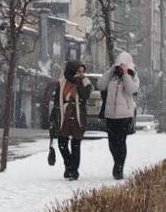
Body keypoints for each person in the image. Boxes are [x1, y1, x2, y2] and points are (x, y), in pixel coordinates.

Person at [97, 51, 140, 180]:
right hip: (110, 115)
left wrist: (126, 74)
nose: (120, 67)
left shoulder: (133, 76)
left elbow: (132, 89)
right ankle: (117, 161)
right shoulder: (112, 76)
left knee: (121, 142)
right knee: (112, 142)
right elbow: (100, 85)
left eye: (123, 65)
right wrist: (111, 71)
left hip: (124, 115)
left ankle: (119, 167)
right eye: (118, 64)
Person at [51, 60, 93, 180]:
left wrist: (80, 81)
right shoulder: (61, 82)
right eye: (78, 71)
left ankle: (73, 171)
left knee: (76, 144)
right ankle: (69, 165)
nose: (81, 73)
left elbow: (85, 95)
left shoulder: (84, 82)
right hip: (64, 115)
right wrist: (54, 116)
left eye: (82, 71)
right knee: (62, 143)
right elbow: (56, 101)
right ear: (72, 70)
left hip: (77, 115)